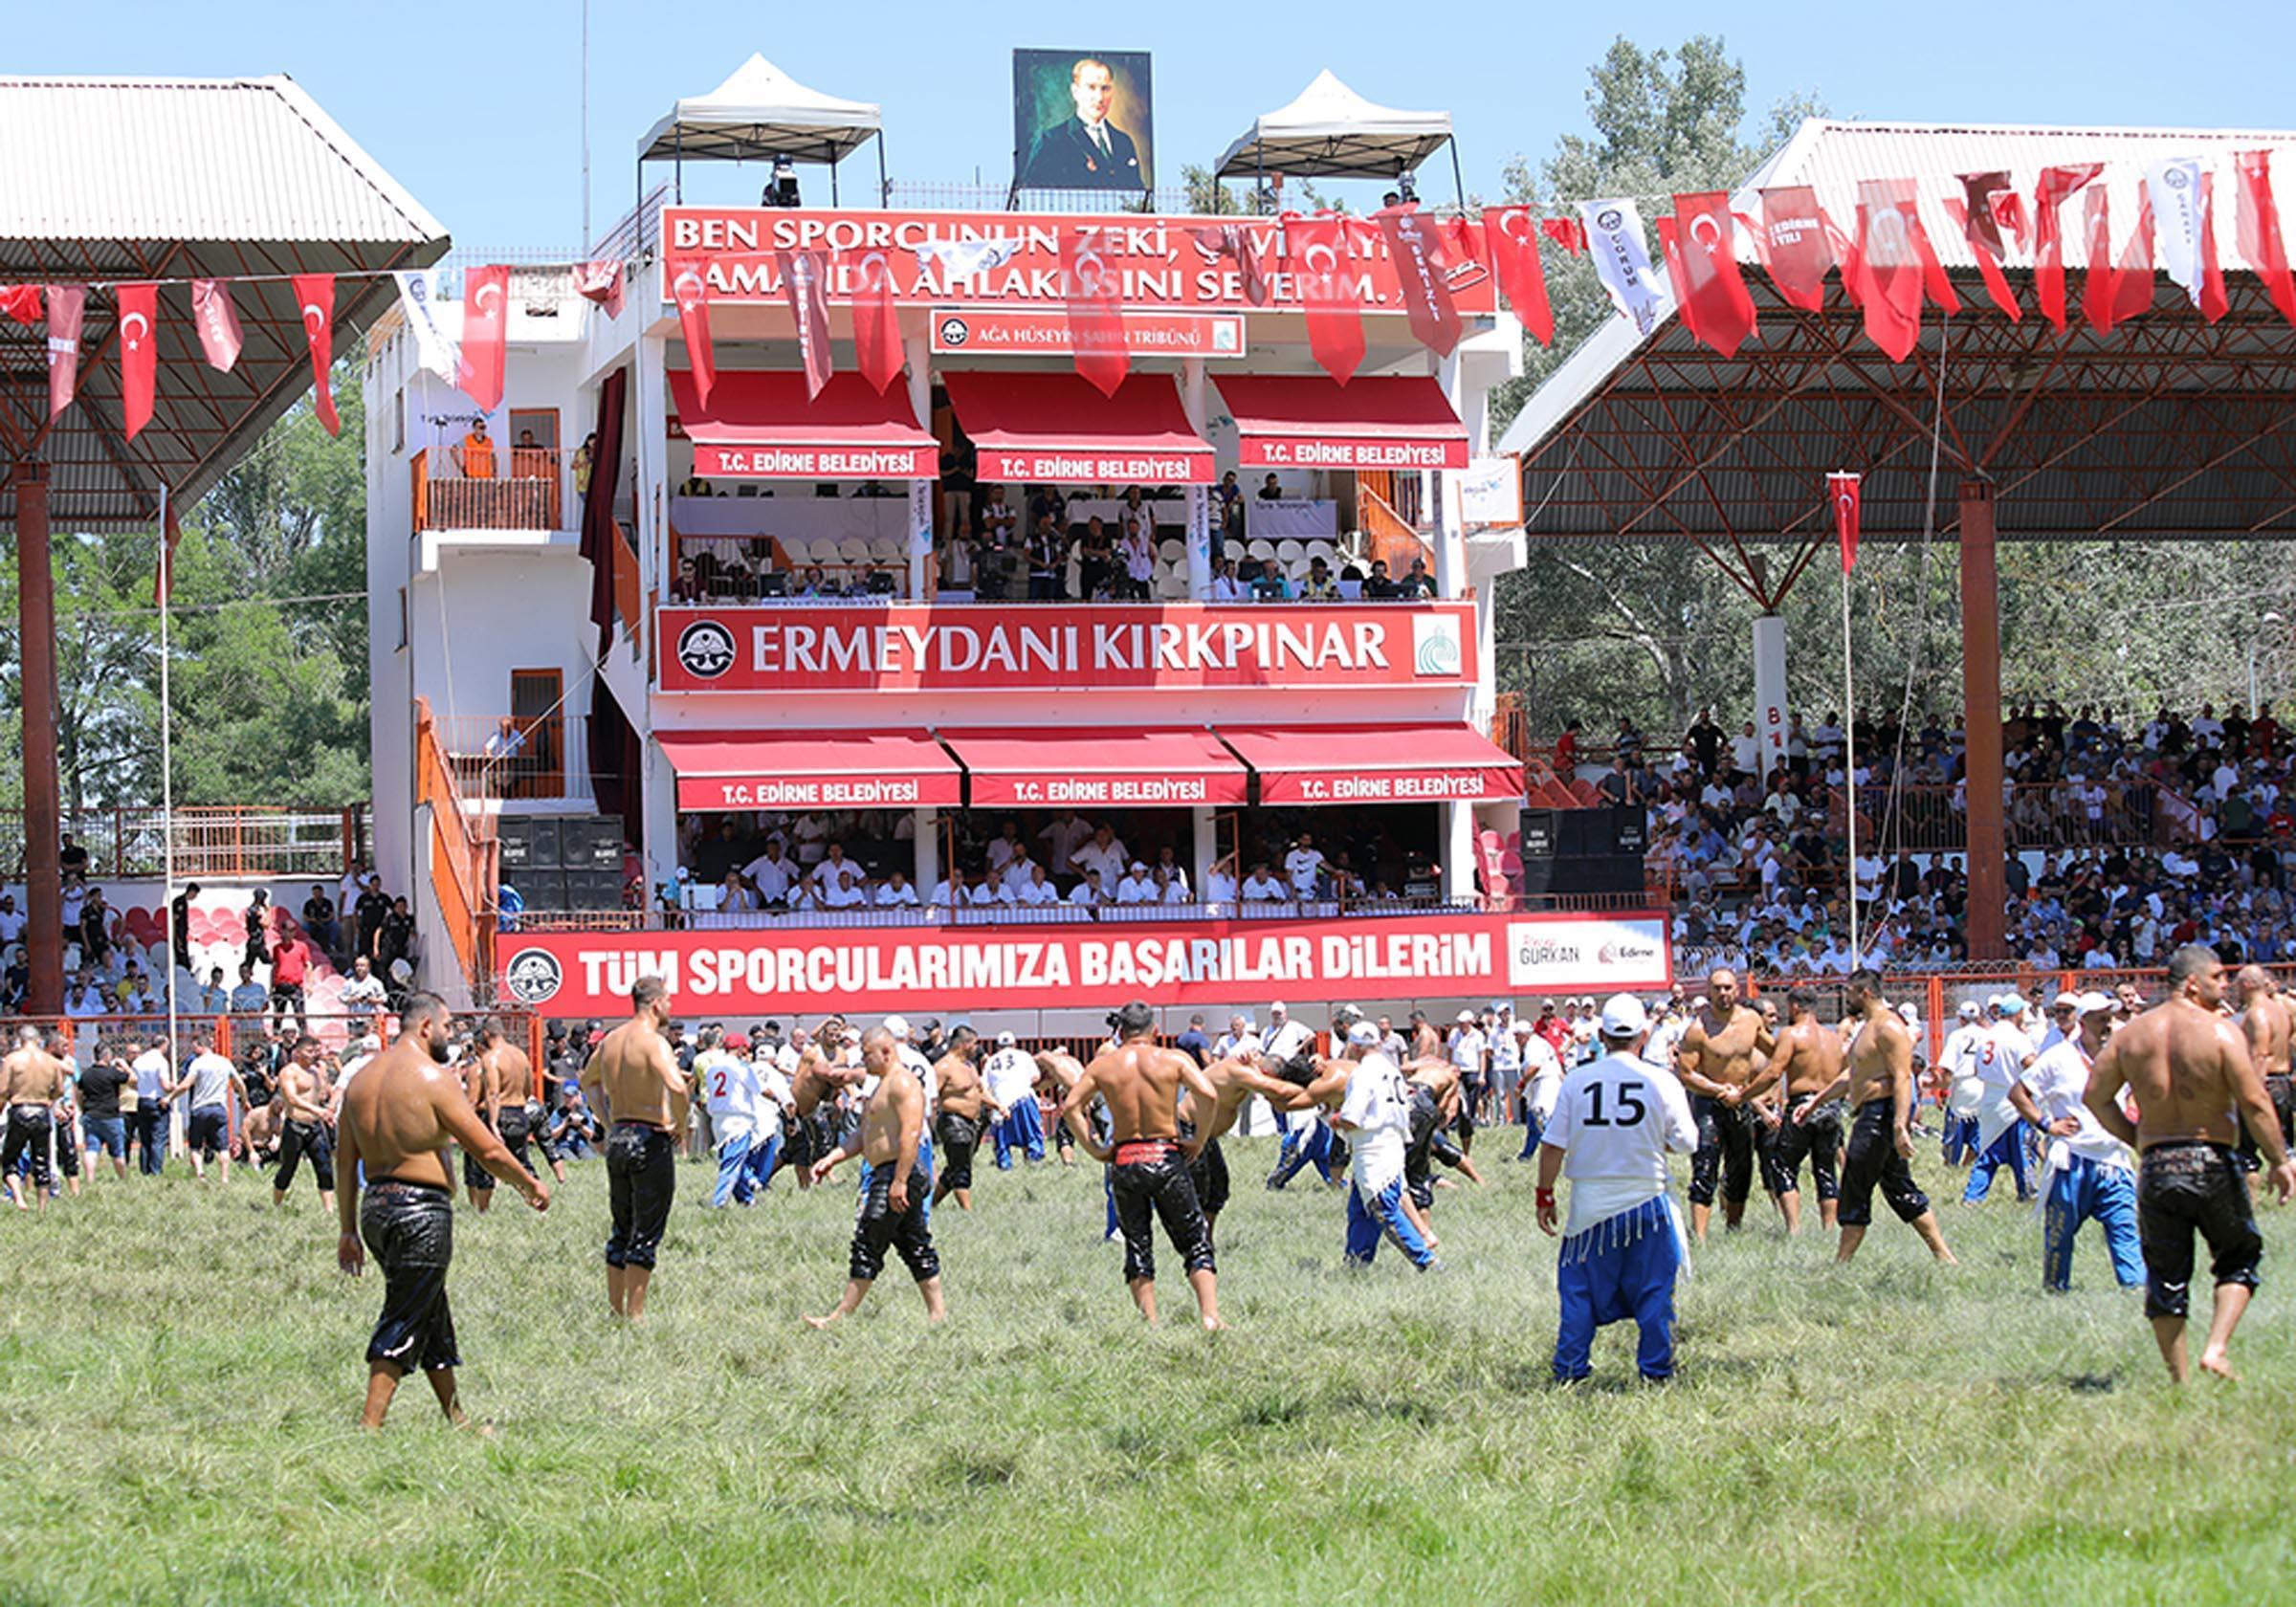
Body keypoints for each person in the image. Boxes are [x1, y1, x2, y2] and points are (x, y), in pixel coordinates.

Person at [335, 993, 548, 1429]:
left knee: (429, 1309)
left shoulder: (360, 1082)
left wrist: (347, 1229)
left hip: (375, 1209)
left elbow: (344, 1161)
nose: (450, 1035)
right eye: (448, 1026)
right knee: (404, 1313)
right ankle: (369, 1425)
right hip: (420, 1212)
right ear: (426, 1026)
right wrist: (528, 1183)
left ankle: (457, 1419)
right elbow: (487, 1149)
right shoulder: (433, 1078)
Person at [2085, 945, 2295, 1382]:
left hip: (2158, 1164)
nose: (2226, 984)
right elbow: (2254, 1101)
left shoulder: (2132, 1035)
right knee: (2238, 1257)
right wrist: (2279, 1159)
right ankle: (2215, 1350)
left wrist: (2138, 1139)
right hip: (2211, 1156)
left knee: (2166, 1275)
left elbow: (2095, 1097)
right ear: (2194, 983)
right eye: (2218, 977)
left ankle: (2177, 1380)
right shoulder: (2220, 1032)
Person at [1536, 995, 1697, 1382]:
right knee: (1655, 1291)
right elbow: (1688, 1142)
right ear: (1643, 1036)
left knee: (1579, 1291)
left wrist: (1545, 1194)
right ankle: (1655, 1371)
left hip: (1589, 1204)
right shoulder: (1662, 1080)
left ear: (1602, 1036)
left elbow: (1553, 1144)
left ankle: (1570, 1369)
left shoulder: (1577, 1080)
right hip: (1648, 1200)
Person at [1057, 1002, 1225, 1329]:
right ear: (1155, 1031)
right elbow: (1208, 1095)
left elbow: (1071, 1106)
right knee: (1195, 1240)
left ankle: (1150, 1323)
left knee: (1137, 1244)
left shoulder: (1103, 1065)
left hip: (1126, 1158)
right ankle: (1210, 1317)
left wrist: (1094, 1149)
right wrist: (1198, 1139)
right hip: (1165, 1154)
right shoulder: (1174, 1059)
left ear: (1120, 1032)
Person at [1791, 971, 1956, 1266]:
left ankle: (1841, 1264)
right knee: (1898, 1186)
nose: (1847, 999)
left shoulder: (1889, 1027)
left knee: (1855, 1183)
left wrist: (1900, 1125)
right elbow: (1853, 1076)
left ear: (1865, 993)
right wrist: (1815, 1102)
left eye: (1850, 993)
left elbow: (1902, 1077)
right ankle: (1944, 1256)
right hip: (1871, 1113)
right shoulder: (1867, 1027)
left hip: (1881, 1115)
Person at [805, 1027, 945, 1327]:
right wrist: (832, 1158)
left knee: (868, 1241)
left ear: (886, 1052)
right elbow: (864, 1135)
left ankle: (838, 1318)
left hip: (898, 1171)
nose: (863, 1060)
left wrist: (900, 1180)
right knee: (914, 1244)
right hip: (887, 1171)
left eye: (867, 1054)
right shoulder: (879, 1086)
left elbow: (911, 1133)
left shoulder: (903, 1083)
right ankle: (938, 1316)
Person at [2010, 991, 2142, 1292]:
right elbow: (2018, 1093)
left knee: (2126, 1228)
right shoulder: (2059, 1057)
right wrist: (2047, 1124)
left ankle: (2136, 1291)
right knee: (2060, 1234)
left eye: (2109, 1018)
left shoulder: (2120, 1055)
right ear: (2083, 1022)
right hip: (2072, 1161)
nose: (2107, 1024)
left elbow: (2134, 1091)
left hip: (2113, 1159)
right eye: (2100, 1019)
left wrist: (2133, 1112)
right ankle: (2055, 1291)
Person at [580, 977, 690, 1320]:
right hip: (650, 1136)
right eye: (668, 1000)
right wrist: (680, 1125)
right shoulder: (654, 1042)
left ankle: (616, 1311)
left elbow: (587, 1082)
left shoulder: (611, 1041)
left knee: (621, 1227)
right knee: (646, 1231)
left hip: (619, 1135)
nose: (671, 1007)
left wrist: (607, 1121)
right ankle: (636, 1316)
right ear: (656, 1004)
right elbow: (678, 1087)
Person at [1672, 968, 1777, 1242]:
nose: (1723, 993)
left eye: (1728, 987)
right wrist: (1721, 1090)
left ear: (1737, 990)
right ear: (1709, 991)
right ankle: (1701, 1237)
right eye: (1717, 988)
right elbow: (1686, 1073)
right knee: (1705, 1165)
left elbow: (1776, 1053)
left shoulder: (1751, 1020)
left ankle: (1734, 1228)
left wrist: (1756, 1090)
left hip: (1740, 1101)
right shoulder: (1698, 1029)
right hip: (1709, 1103)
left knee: (1741, 1167)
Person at [1326, 1020, 1439, 1272]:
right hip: (1392, 1142)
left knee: (1382, 1206)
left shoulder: (1362, 1073)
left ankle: (1428, 1262)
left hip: (1372, 1147)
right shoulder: (1391, 1069)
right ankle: (1356, 1265)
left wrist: (1334, 1119)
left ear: (1355, 1046)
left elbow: (1352, 1118)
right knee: (1361, 1210)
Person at [1751, 988, 1844, 1234]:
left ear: (1794, 1007)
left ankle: (1794, 1228)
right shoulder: (1833, 1038)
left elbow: (1774, 1072)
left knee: (1782, 1164)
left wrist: (1746, 1094)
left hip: (1801, 1105)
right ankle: (1829, 1229)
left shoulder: (1790, 1034)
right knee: (1825, 1168)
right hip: (1830, 1104)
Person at [1017, 56, 1144, 190]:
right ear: (1075, 92)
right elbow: (1033, 192)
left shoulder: (1123, 141)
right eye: (1091, 87)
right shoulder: (1052, 140)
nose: (1099, 97)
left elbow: (1138, 193)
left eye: (1105, 88)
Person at [1964, 995, 2038, 1204]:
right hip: (2015, 1102)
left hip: (1990, 1100)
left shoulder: (1986, 1037)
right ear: (2019, 1013)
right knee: (2022, 1152)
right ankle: (2027, 1192)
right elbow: (2031, 1064)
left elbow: (1976, 1069)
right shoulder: (2017, 1037)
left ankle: (1972, 1197)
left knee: (1988, 1154)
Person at [2234, 965, 2296, 1178]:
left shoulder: (2256, 1013)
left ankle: (2250, 1198)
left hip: (2265, 1082)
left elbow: (2260, 1054)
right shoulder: (2280, 1010)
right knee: (2284, 1147)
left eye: (2238, 985)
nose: (2236, 990)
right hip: (2282, 1081)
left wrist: (2251, 1091)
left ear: (2247, 985)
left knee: (2245, 1153)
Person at [2, 1025, 69, 1212]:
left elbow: (2, 1090)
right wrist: (48, 1098)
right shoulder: (50, 1061)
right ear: (38, 1040)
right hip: (41, 1110)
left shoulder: (12, 1059)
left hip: (20, 1109)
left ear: (20, 1040)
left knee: (10, 1159)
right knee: (42, 1161)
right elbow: (60, 1090)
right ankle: (42, 1208)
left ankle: (19, 1197)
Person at [271, 1034, 338, 1213]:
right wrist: (317, 1111)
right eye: (309, 1051)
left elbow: (323, 1095)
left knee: (325, 1168)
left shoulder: (316, 1072)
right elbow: (292, 1098)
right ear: (298, 1052)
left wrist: (327, 1112)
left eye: (315, 1051)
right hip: (295, 1126)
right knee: (288, 1169)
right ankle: (277, 1205)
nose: (313, 1055)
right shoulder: (289, 1071)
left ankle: (329, 1210)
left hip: (315, 1126)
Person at [169, 1030, 245, 1183]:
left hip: (200, 1108)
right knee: (223, 1147)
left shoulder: (198, 1063)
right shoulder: (225, 1062)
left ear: (201, 1046)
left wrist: (169, 1098)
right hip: (219, 1108)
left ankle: (200, 1174)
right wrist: (244, 1100)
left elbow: (185, 1085)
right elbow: (240, 1084)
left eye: (194, 1046)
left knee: (195, 1146)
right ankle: (224, 1177)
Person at [930, 1027, 988, 1211]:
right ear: (964, 1045)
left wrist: (998, 1106)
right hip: (953, 1122)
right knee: (961, 1167)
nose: (977, 1048)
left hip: (972, 1123)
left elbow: (979, 1091)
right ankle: (967, 1211)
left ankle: (931, 1204)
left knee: (956, 1165)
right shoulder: (943, 1067)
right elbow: (931, 1096)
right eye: (975, 1044)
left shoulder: (969, 1066)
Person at [983, 1030, 1045, 1168]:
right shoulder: (1024, 1055)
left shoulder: (991, 1061)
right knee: (1031, 1133)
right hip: (1023, 1098)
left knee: (1002, 1140)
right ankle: (1034, 1163)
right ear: (1014, 1044)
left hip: (1001, 1103)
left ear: (998, 1046)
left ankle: (1005, 1166)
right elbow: (1036, 1077)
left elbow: (984, 1087)